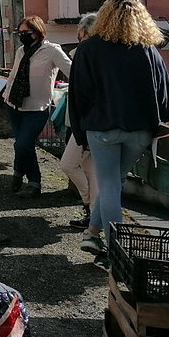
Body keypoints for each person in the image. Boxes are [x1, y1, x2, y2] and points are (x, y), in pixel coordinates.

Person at [68, 0, 169, 267]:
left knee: (109, 185)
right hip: (139, 130)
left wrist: (81, 134)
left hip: (102, 128)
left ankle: (116, 253)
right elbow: (165, 96)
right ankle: (92, 233)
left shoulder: (89, 49)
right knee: (114, 181)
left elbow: (78, 95)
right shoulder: (148, 50)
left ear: (104, 17)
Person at [2, 15, 72, 199]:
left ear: (37, 31)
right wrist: (6, 95)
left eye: (26, 32)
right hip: (14, 104)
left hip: (37, 108)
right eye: (20, 32)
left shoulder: (52, 50)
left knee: (22, 144)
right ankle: (33, 183)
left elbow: (72, 71)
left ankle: (19, 172)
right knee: (24, 146)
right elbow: (14, 75)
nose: (22, 35)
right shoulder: (21, 51)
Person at [59, 12, 99, 229]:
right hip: (89, 121)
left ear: (84, 32)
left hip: (87, 122)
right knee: (91, 170)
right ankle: (92, 213)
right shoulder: (91, 53)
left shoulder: (87, 54)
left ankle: (89, 204)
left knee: (68, 164)